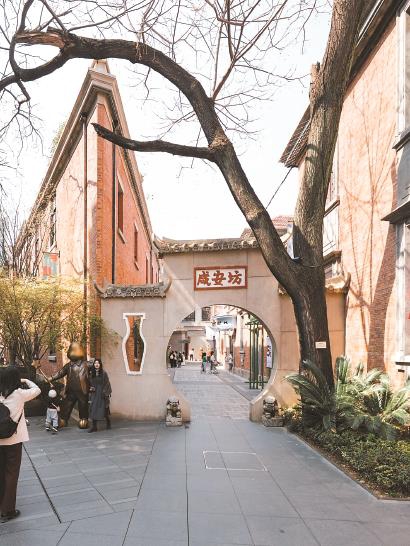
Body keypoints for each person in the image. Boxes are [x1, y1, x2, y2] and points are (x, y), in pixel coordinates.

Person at [0, 366, 41, 522]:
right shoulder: (19, 394)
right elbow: (37, 390)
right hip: (14, 440)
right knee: (11, 474)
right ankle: (8, 510)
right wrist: (26, 380)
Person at [88, 359, 112, 433]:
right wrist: (91, 388)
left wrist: (105, 392)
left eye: (98, 363)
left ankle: (108, 422)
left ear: (100, 364)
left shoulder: (104, 373)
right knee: (93, 409)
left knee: (104, 409)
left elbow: (107, 383)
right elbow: (90, 383)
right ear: (94, 364)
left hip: (102, 393)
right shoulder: (92, 373)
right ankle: (94, 427)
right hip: (94, 394)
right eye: (95, 363)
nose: (96, 364)